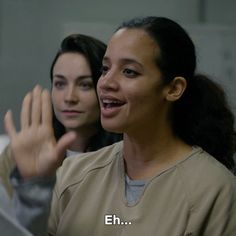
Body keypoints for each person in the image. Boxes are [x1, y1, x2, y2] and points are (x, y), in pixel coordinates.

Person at [4, 16, 236, 236]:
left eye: (129, 71)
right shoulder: (73, 175)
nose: (105, 82)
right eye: (105, 69)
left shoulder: (213, 189)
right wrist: (34, 193)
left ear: (173, 88)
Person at [0, 34, 122, 197]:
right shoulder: (23, 151)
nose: (69, 97)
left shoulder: (125, 156)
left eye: (85, 85)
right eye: (60, 84)